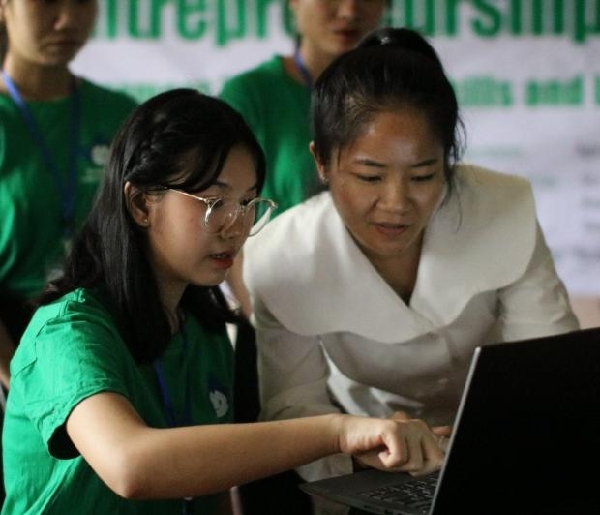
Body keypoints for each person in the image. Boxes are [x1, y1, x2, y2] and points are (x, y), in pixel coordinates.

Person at [1, 88, 446, 515]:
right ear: (140, 204)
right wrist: (338, 430)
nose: (235, 225)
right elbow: (131, 465)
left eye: (249, 202)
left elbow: (206, 487)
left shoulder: (204, 332)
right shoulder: (67, 332)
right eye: (213, 202)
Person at [242, 27, 581, 485]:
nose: (396, 203)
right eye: (369, 176)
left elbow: (548, 369)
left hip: (509, 442)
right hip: (370, 457)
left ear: (448, 160)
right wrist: (359, 444)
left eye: (423, 176)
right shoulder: (282, 258)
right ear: (322, 161)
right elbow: (293, 411)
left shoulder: (501, 208)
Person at [219, 0, 387, 320]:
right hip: (275, 301)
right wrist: (263, 323)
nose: (350, 11)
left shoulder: (400, 97)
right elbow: (225, 219)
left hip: (377, 309)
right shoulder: (251, 95)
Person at [0, 0, 137, 389]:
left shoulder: (120, 114)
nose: (67, 19)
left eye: (82, 1)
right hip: (12, 341)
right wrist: (18, 376)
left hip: (106, 330)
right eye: (46, 2)